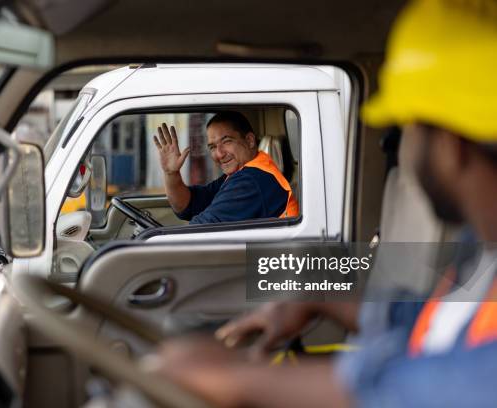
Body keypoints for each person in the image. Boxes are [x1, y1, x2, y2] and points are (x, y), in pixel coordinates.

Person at [148, 1, 497, 406]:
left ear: (451, 148)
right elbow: (429, 323)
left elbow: (455, 388)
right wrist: (319, 292)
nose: (400, 151)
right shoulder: (482, 252)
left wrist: (239, 379)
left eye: (407, 130)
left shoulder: (253, 180)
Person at [153, 111, 298, 224]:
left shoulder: (252, 180)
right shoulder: (241, 174)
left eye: (227, 141)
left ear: (249, 140)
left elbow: (201, 230)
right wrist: (171, 173)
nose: (219, 154)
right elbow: (187, 205)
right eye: (212, 147)